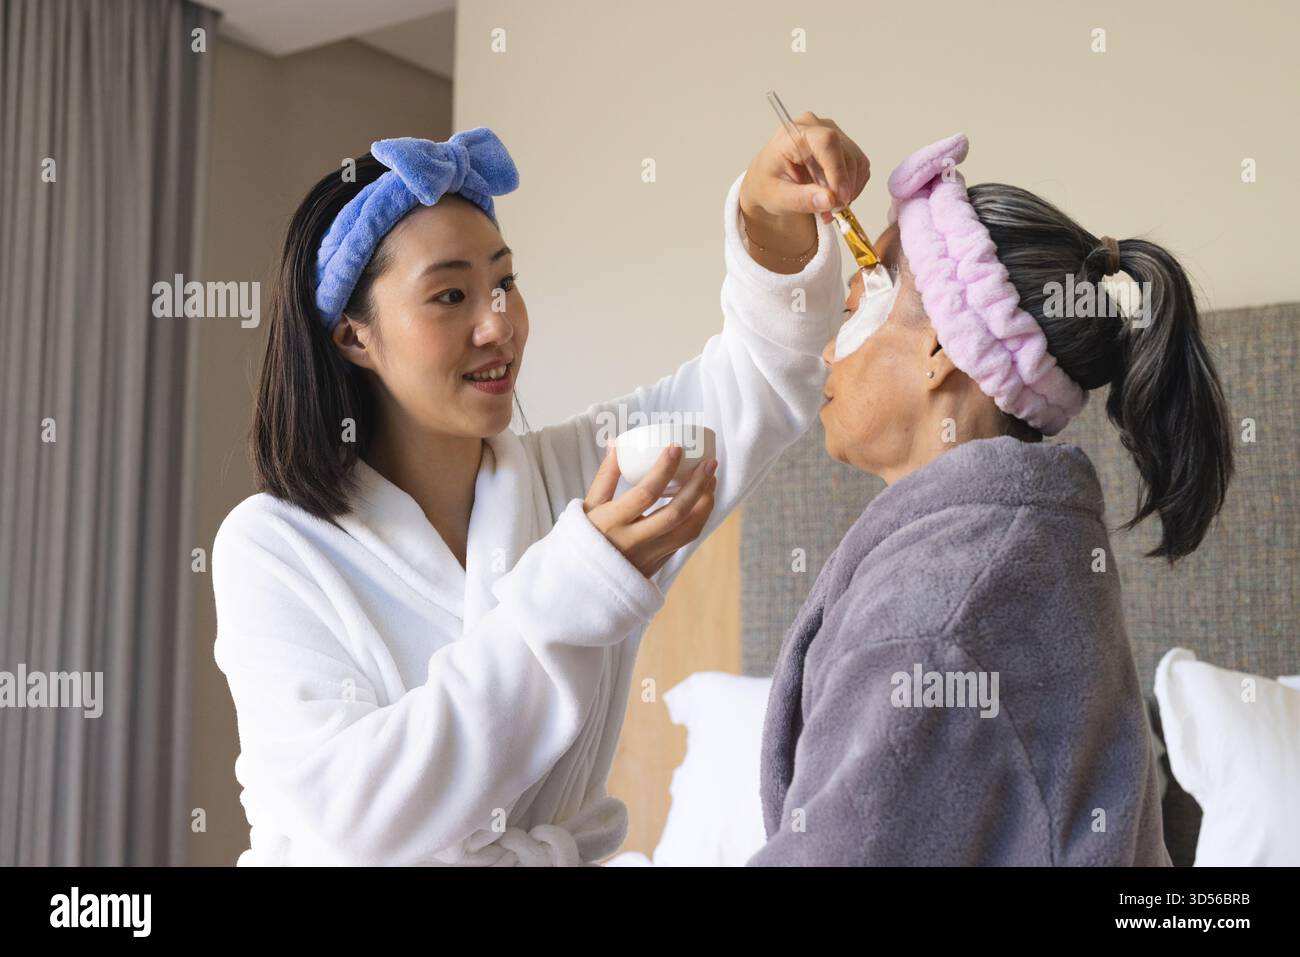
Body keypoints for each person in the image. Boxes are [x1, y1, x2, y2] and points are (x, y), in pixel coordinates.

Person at [212, 120, 870, 865]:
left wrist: (765, 218)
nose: (498, 323)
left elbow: (760, 377)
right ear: (353, 337)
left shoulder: (578, 476)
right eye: (451, 294)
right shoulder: (272, 547)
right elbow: (361, 817)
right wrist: (577, 582)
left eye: (505, 283)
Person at [748, 133, 1233, 866]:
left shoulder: (933, 619)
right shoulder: (1029, 551)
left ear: (941, 347)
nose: (827, 351)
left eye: (856, 304)